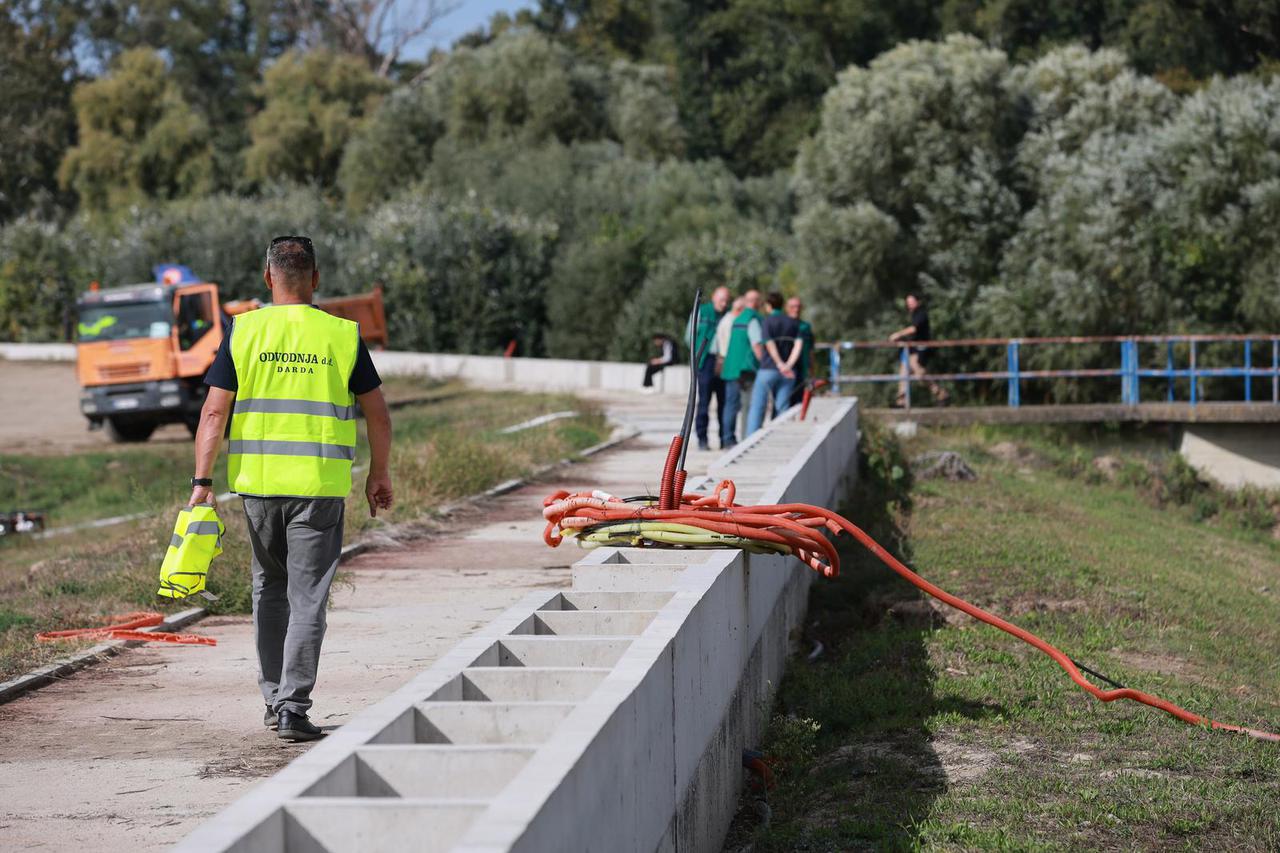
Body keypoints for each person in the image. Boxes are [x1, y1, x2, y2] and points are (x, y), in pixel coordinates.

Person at [188, 235, 395, 743]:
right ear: (315, 279)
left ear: (268, 278)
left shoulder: (243, 331)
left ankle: (274, 697)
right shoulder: (342, 336)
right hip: (318, 489)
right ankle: (292, 708)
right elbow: (378, 414)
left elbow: (215, 411)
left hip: (258, 489)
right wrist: (378, 474)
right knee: (308, 600)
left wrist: (201, 482)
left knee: (269, 591)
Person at [746, 293, 801, 434]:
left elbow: (770, 344)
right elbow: (798, 345)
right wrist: (788, 365)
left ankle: (751, 438)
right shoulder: (793, 322)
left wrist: (779, 363)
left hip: (768, 369)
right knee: (782, 407)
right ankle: (780, 436)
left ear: (768, 305)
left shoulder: (767, 321)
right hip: (788, 372)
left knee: (758, 406)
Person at [714, 289, 764, 447]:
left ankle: (727, 439)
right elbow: (756, 345)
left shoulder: (735, 319)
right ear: (757, 302)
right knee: (748, 405)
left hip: (730, 367)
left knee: (730, 405)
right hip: (745, 370)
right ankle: (747, 439)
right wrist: (765, 364)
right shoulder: (753, 320)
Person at [685, 286, 730, 450]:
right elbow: (688, 337)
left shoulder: (730, 314)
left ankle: (725, 439)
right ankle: (702, 439)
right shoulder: (702, 311)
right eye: (721, 300)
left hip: (724, 361)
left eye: (726, 300)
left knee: (724, 403)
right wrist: (696, 357)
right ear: (713, 298)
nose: (724, 303)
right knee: (704, 402)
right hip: (706, 361)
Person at [888, 292, 948, 406]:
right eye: (908, 303)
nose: (909, 304)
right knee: (903, 372)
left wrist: (898, 334)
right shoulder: (913, 314)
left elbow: (913, 329)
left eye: (911, 302)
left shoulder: (921, 313)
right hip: (910, 349)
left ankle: (940, 393)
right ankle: (901, 401)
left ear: (917, 301)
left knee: (919, 373)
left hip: (919, 349)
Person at [787, 297, 816, 408]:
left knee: (799, 403)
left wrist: (812, 373)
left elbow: (810, 351)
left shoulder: (805, 327)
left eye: (798, 307)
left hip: (801, 370)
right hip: (786, 370)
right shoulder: (783, 324)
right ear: (787, 308)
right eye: (793, 307)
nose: (796, 309)